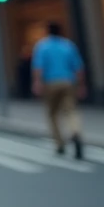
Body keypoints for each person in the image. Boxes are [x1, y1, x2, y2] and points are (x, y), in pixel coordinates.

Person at [31, 21, 86, 159]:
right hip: (68, 81)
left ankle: (59, 144)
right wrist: (81, 85)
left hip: (51, 83)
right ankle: (75, 132)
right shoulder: (68, 45)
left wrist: (37, 83)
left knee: (52, 114)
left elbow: (38, 68)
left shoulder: (42, 46)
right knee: (70, 111)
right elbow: (79, 68)